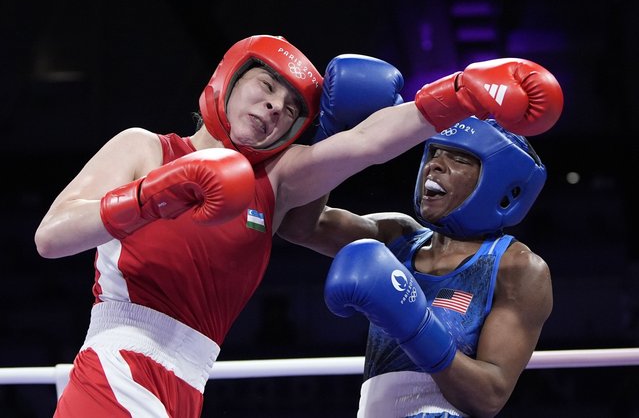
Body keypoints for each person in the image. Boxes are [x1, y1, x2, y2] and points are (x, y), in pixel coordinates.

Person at [34, 31, 563, 416]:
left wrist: (461, 92)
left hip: (189, 385)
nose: (272, 108)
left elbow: (368, 143)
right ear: (229, 78)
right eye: (264, 87)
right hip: (115, 363)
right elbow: (51, 237)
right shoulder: (145, 149)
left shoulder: (277, 185)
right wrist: (152, 195)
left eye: (290, 109)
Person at [278, 116, 556, 417]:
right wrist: (332, 133)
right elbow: (298, 225)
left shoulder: (517, 267)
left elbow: (489, 396)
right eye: (434, 152)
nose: (434, 165)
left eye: (459, 158)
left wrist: (415, 325)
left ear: (500, 184)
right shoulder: (396, 236)